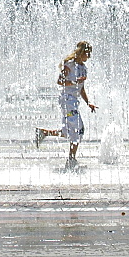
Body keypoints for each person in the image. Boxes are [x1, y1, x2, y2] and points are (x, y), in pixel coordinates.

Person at [34, 40, 97, 169]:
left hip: (74, 101)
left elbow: (81, 88)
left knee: (71, 131)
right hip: (67, 101)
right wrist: (74, 81)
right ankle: (71, 160)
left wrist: (88, 102)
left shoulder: (83, 68)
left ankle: (45, 133)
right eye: (87, 54)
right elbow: (60, 81)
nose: (89, 57)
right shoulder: (69, 65)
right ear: (81, 53)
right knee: (78, 129)